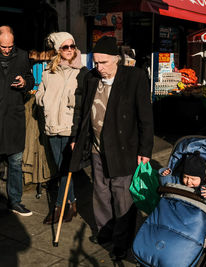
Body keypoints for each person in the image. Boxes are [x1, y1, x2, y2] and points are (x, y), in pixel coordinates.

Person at [69, 36, 154, 261]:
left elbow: (146, 117)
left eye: (104, 62)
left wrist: (145, 150)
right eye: (96, 62)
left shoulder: (134, 77)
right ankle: (105, 232)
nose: (99, 67)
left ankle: (122, 242)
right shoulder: (90, 78)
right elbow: (83, 111)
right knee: (101, 192)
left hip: (124, 149)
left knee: (122, 197)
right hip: (97, 148)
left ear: (117, 59)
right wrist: (77, 137)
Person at [0, 26, 34, 222]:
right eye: (4, 46)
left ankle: (15, 201)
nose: (7, 50)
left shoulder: (22, 56)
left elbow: (30, 78)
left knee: (15, 162)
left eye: (10, 46)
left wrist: (24, 83)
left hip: (14, 116)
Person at [35, 32, 88, 224]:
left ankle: (59, 207)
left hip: (69, 126)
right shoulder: (49, 71)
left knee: (66, 168)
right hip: (51, 125)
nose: (70, 50)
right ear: (58, 50)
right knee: (60, 168)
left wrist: (73, 101)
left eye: (72, 46)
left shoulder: (81, 71)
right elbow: (40, 95)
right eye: (65, 47)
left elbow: (84, 98)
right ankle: (72, 203)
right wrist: (45, 100)